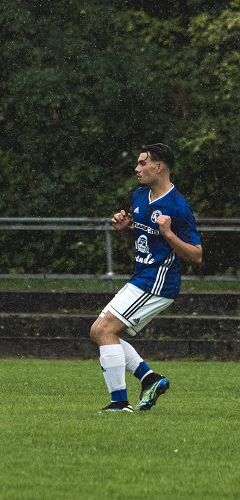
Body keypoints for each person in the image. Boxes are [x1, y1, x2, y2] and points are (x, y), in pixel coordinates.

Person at [90, 143, 202, 412]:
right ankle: (150, 379)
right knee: (99, 331)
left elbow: (196, 256)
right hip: (142, 275)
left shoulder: (178, 207)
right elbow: (145, 238)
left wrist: (169, 233)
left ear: (159, 167)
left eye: (142, 163)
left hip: (158, 281)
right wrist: (125, 228)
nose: (137, 168)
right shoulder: (139, 196)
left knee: (104, 330)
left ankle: (119, 403)